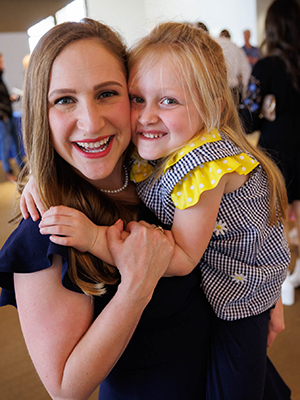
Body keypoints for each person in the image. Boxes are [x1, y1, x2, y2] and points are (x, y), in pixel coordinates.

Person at [32, 22, 291, 399]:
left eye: (168, 100)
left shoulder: (202, 165)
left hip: (241, 299)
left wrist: (96, 238)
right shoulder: (157, 149)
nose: (145, 117)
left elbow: (185, 256)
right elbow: (65, 389)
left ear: (212, 106)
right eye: (137, 98)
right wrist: (39, 177)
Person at [0, 19, 213, 400]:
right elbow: (65, 387)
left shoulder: (159, 171)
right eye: (64, 100)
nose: (92, 123)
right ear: (40, 115)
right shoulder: (48, 227)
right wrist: (135, 288)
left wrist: (264, 299)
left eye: (107, 94)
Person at [240, 0, 300, 291]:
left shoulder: (266, 66)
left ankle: (285, 279)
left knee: (277, 210)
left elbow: (249, 116)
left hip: (278, 148)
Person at [0, 53, 24, 181]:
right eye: (0, 62)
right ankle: (8, 171)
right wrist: (2, 115)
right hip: (3, 118)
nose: (2, 64)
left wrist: (11, 99)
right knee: (6, 144)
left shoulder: (2, 78)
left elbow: (3, 99)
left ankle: (22, 166)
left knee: (16, 141)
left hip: (9, 115)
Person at [215, 29, 251, 102]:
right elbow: (246, 71)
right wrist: (244, 94)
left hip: (218, 89)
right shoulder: (237, 48)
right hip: (233, 89)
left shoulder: (214, 46)